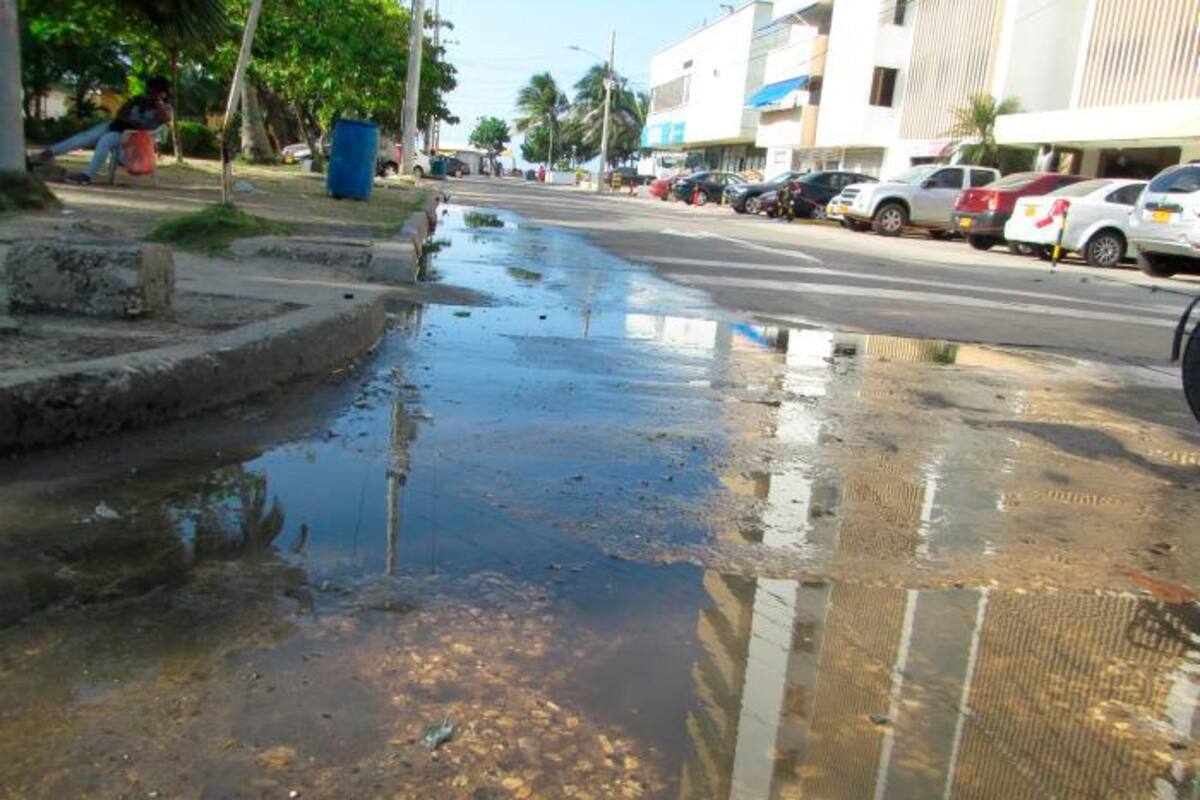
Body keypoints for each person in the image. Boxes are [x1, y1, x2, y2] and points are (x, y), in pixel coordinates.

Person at [40, 77, 173, 185]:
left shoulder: (165, 107)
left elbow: (165, 119)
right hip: (120, 130)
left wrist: (157, 103)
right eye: (148, 92)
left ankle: (87, 175)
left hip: (136, 139)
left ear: (162, 93)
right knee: (87, 136)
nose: (149, 95)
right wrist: (133, 104)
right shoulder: (137, 101)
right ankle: (49, 152)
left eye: (154, 92)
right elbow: (120, 115)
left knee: (106, 139)